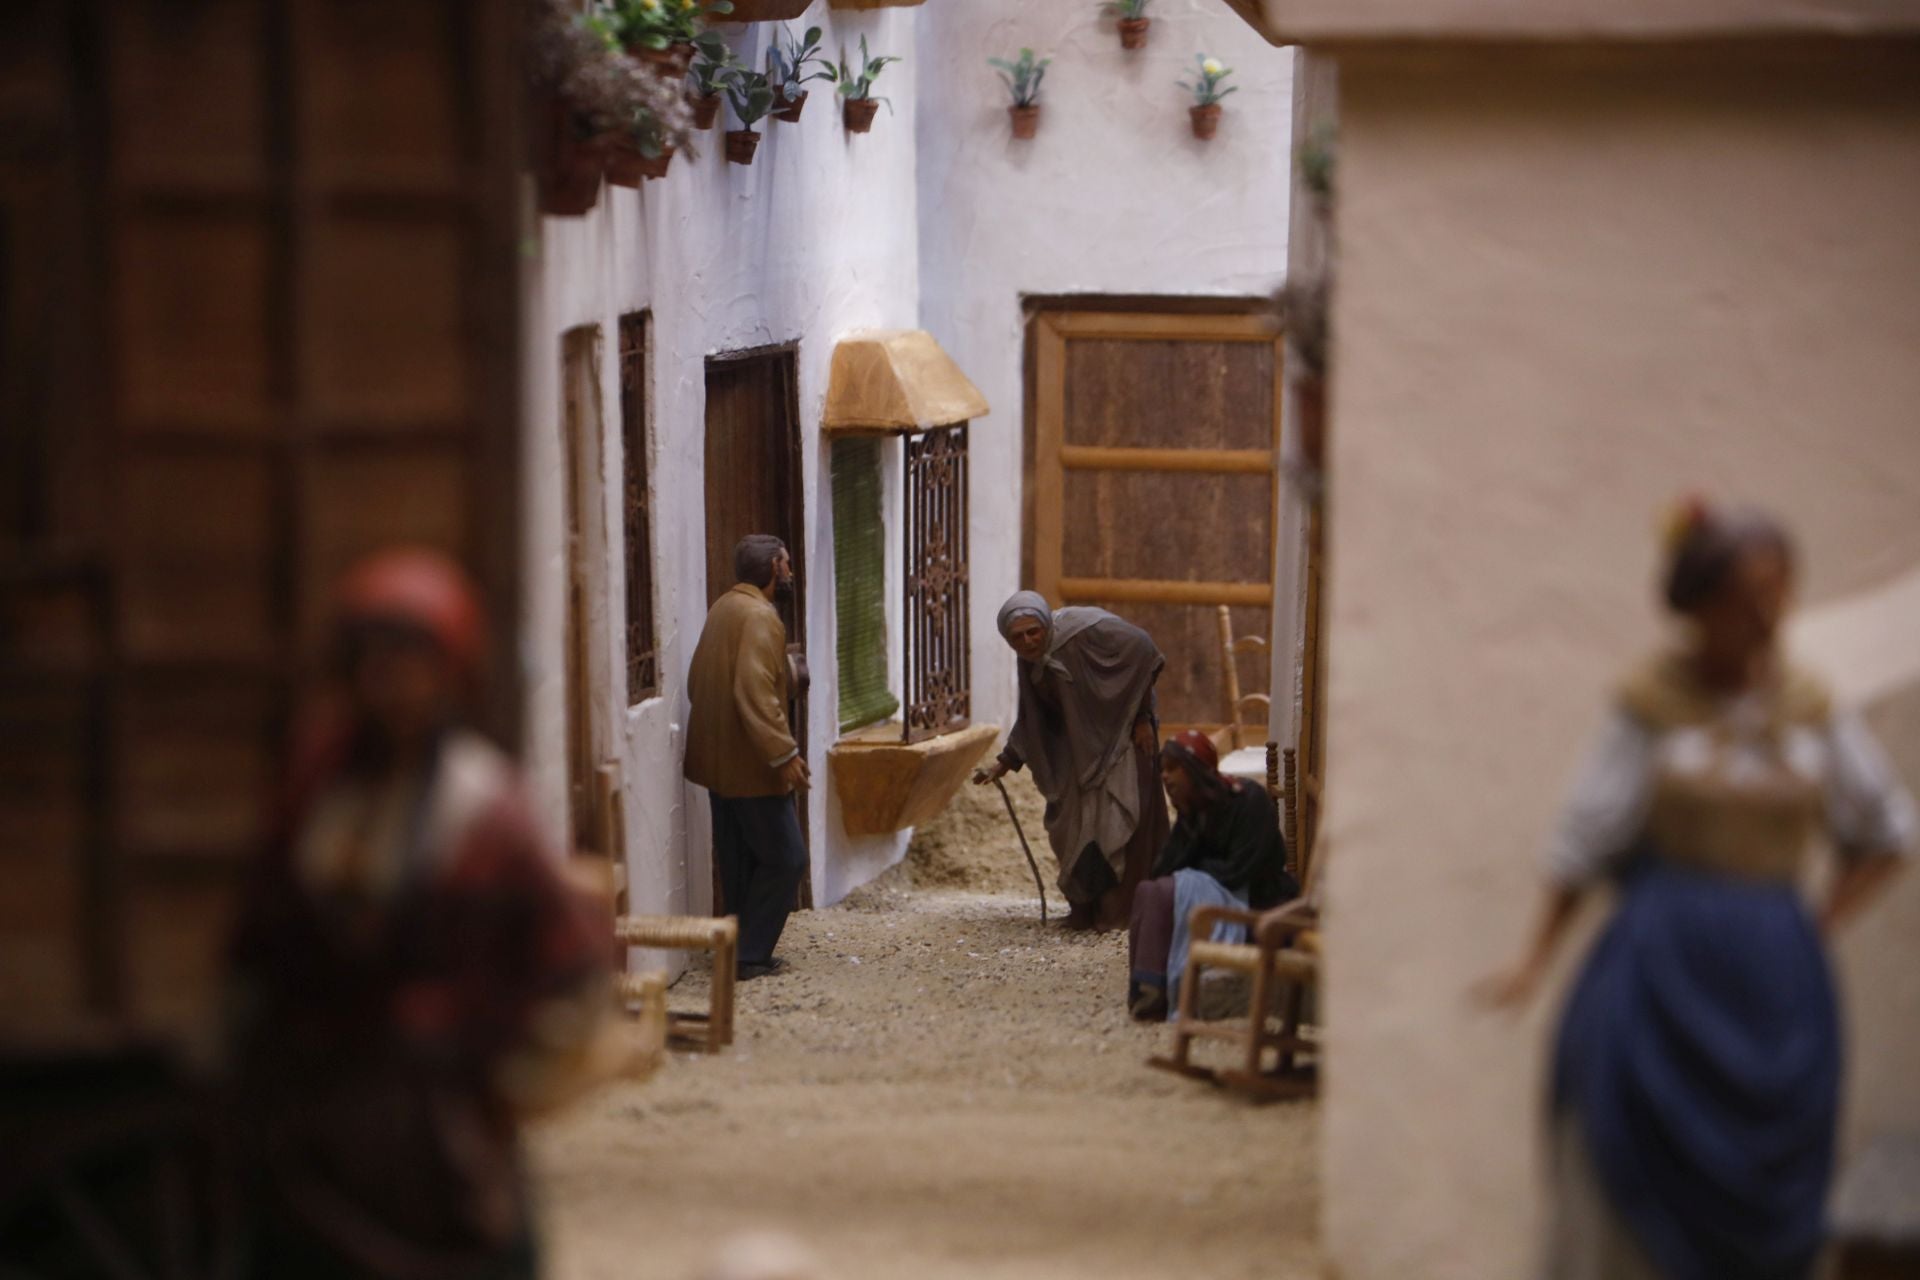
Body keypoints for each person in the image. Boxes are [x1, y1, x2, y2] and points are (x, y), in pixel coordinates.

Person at [1476, 500, 1916, 1280]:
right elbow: (1583, 838)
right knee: (1626, 1154)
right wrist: (1535, 956)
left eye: (1778, 591)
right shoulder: (1651, 704)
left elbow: (1886, 832)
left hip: (1777, 981)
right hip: (1659, 965)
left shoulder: (1811, 708)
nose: (1763, 612)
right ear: (1698, 603)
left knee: (1770, 1178)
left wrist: (1815, 925)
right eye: (1744, 594)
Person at [228, 548, 615, 1280]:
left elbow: (572, 963)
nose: (389, 681)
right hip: (314, 1115)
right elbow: (265, 925)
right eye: (373, 659)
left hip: (434, 1131)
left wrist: (510, 1082)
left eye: (409, 660)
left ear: (447, 672)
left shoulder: (484, 808)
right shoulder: (317, 785)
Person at [974, 590, 1170, 931]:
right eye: (1018, 637)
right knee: (1071, 830)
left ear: (1045, 623)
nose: (1029, 640)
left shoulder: (1085, 631)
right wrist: (1004, 762)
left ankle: (1119, 914)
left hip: (1120, 744)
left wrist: (1140, 717)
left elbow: (1142, 649)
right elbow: (1032, 718)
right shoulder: (1029, 658)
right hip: (1075, 756)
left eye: (1034, 631)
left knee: (1119, 825)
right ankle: (1083, 910)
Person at [684, 534, 810, 980]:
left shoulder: (724, 607)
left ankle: (734, 949)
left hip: (717, 761)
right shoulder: (761, 615)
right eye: (787, 564)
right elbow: (755, 690)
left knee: (738, 860)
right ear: (774, 567)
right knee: (786, 858)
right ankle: (749, 955)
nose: (791, 572)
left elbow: (697, 678)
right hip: (751, 764)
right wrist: (784, 753)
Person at [1128, 730, 1298, 1021]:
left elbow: (1240, 871)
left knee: (1162, 891)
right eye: (1163, 771)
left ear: (1195, 771)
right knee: (1148, 890)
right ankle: (1148, 986)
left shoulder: (1248, 801)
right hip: (1219, 891)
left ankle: (1157, 992)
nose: (1166, 778)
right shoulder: (1194, 812)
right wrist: (1190, 831)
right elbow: (1163, 868)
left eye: (1173, 769)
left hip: (1259, 902)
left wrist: (1191, 872)